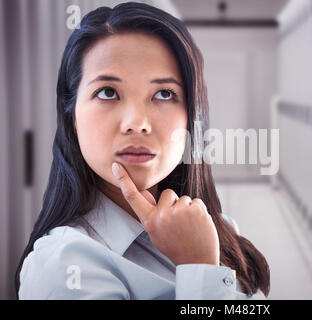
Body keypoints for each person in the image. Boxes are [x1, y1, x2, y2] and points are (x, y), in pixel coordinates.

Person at [15, 2, 270, 300]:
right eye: (107, 92)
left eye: (164, 94)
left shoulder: (216, 229)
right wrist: (199, 268)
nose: (137, 123)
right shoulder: (63, 266)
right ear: (72, 116)